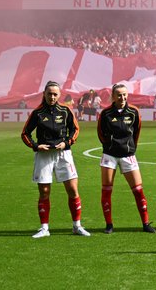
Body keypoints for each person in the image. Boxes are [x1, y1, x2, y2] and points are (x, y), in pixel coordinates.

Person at [20, 81, 90, 238]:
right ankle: (44, 228)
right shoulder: (37, 113)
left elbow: (75, 129)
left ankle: (77, 226)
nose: (52, 97)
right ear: (44, 94)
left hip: (63, 154)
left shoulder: (65, 111)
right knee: (44, 192)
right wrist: (36, 146)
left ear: (59, 95)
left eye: (55, 94)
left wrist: (67, 143)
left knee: (72, 190)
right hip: (44, 156)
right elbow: (25, 134)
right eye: (49, 94)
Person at [97, 83, 156, 234]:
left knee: (138, 190)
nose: (122, 97)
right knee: (106, 190)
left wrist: (130, 148)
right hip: (109, 155)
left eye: (124, 94)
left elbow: (136, 132)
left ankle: (145, 223)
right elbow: (100, 133)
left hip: (128, 155)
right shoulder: (106, 113)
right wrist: (109, 146)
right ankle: (109, 225)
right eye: (119, 95)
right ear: (113, 96)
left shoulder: (134, 112)